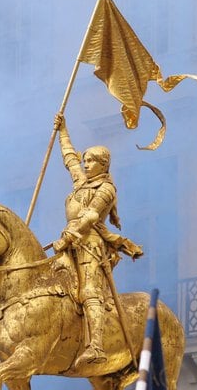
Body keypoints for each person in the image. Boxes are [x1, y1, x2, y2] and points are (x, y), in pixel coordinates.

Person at [51, 112, 143, 367]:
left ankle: (96, 346)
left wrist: (71, 234)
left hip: (90, 243)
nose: (86, 164)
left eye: (91, 160)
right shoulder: (82, 183)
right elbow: (69, 159)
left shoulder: (106, 188)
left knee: (90, 291)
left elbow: (91, 215)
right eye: (86, 160)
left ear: (104, 164)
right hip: (70, 242)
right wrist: (63, 131)